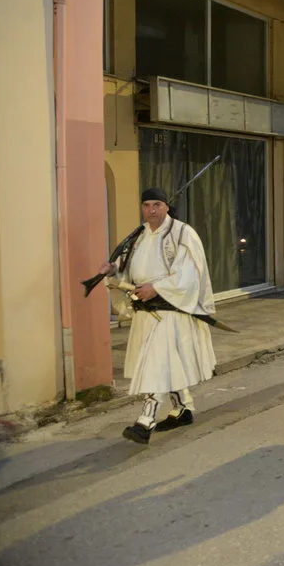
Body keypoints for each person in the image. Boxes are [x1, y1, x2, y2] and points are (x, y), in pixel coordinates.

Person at [102, 188, 218, 445]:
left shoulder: (182, 233)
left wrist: (156, 287)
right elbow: (127, 268)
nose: (151, 210)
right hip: (146, 313)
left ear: (166, 207)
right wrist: (112, 271)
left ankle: (145, 422)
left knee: (156, 365)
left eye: (157, 204)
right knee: (164, 363)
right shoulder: (139, 236)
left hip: (170, 309)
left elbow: (189, 273)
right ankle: (182, 409)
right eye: (146, 205)